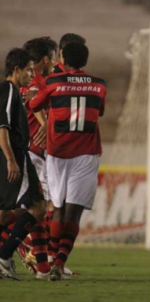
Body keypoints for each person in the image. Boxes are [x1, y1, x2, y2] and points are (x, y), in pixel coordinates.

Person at [30, 42, 107, 281]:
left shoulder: (53, 82)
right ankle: (60, 264)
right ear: (84, 60)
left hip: (56, 154)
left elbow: (34, 105)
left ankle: (53, 260)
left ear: (63, 57)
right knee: (74, 214)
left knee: (58, 210)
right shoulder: (99, 85)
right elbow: (100, 111)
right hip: (85, 154)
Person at [0, 48, 46, 280]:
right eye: (28, 70)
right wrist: (11, 159)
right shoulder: (9, 90)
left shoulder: (13, 91)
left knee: (5, 213)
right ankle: (4, 257)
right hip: (16, 156)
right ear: (16, 70)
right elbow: (3, 128)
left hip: (12, 156)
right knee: (38, 208)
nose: (31, 74)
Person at [17, 37, 58, 277]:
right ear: (45, 60)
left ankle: (41, 262)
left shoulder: (20, 81)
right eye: (53, 59)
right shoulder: (42, 82)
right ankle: (40, 262)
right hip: (34, 155)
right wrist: (47, 122)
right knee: (43, 209)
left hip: (23, 152)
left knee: (30, 209)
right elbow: (35, 105)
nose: (54, 64)